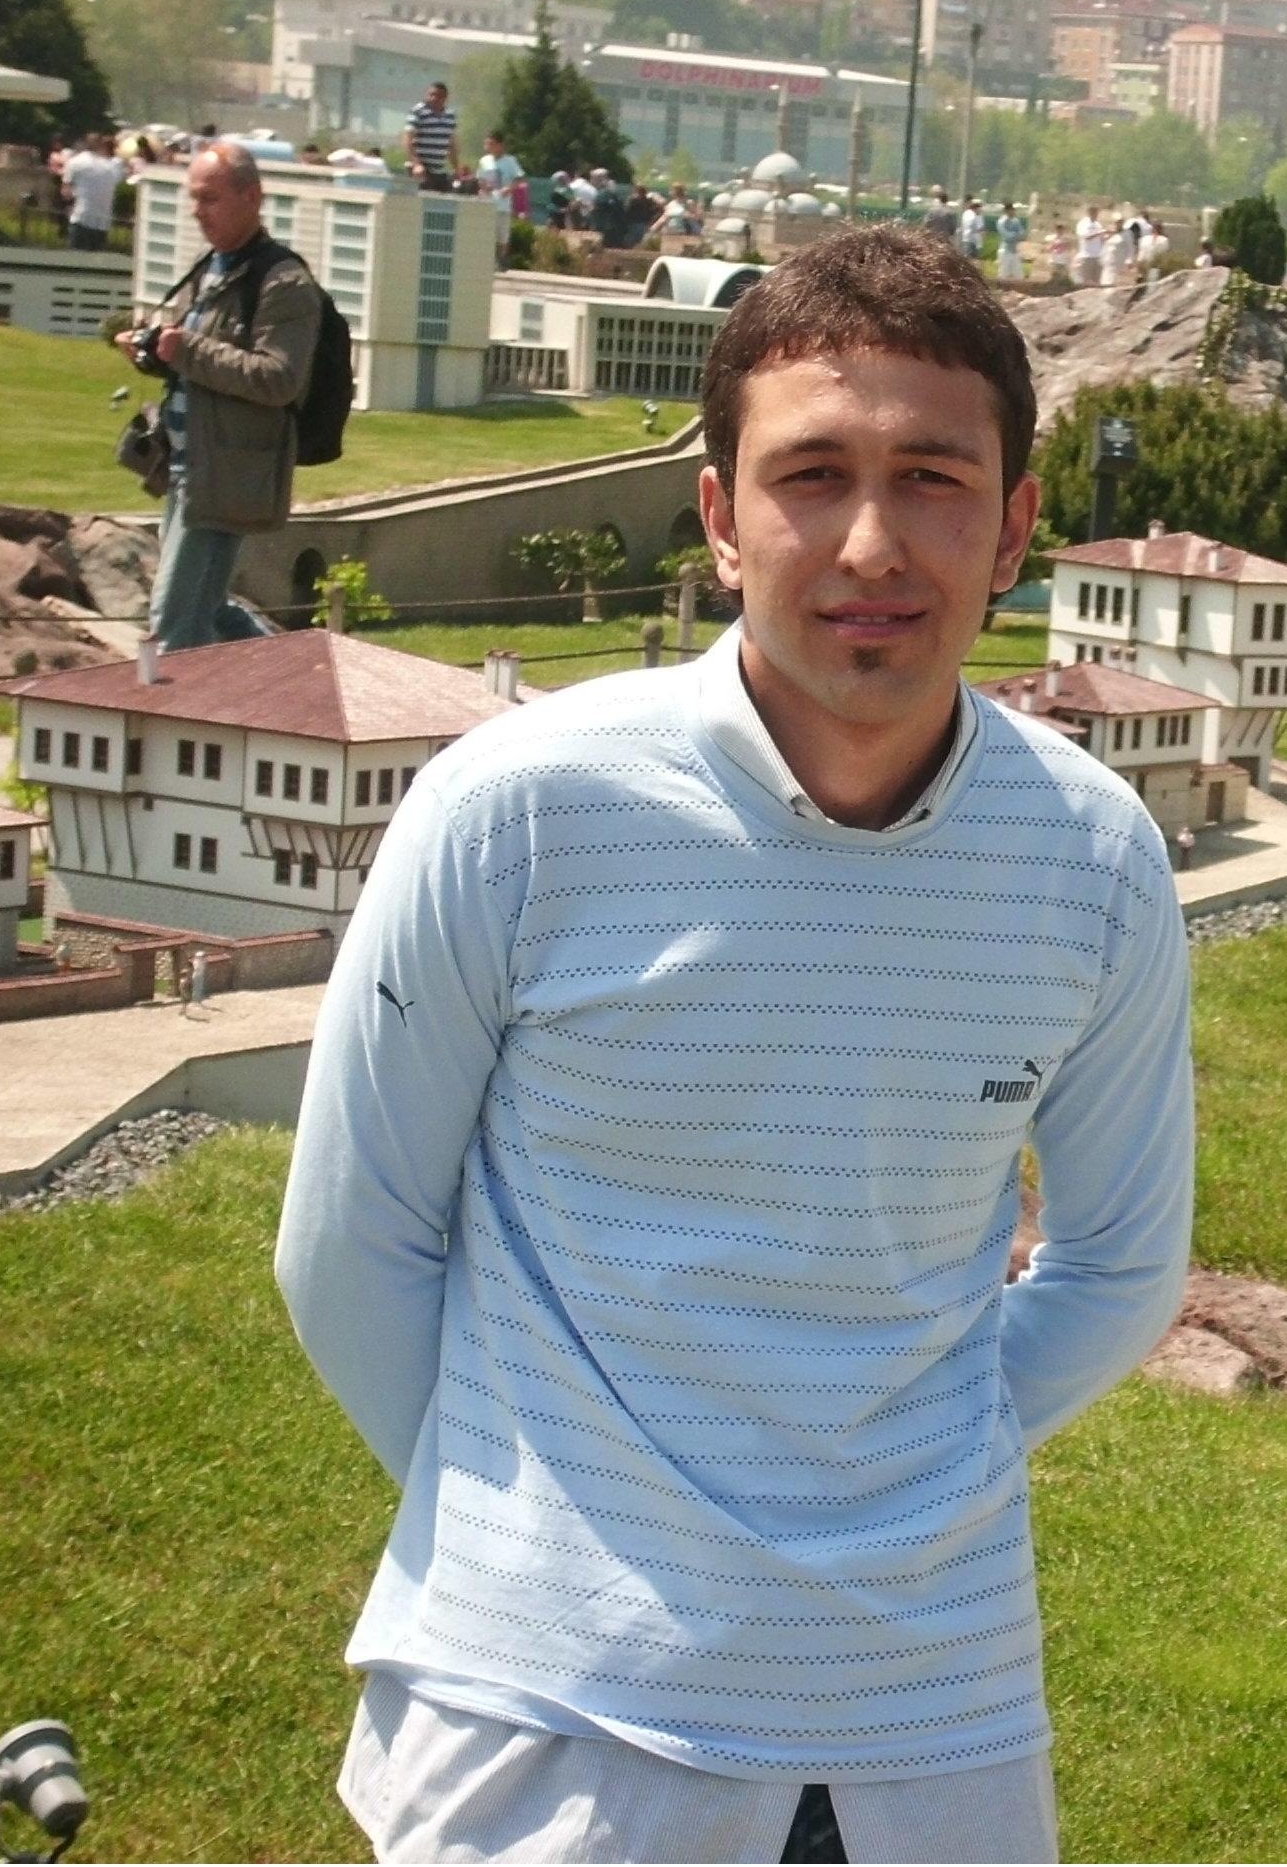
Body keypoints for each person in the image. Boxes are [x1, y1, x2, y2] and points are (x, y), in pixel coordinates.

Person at [276, 221, 1194, 1867]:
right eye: (809, 475)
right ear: (717, 517)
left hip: (936, 1734)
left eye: (932, 478)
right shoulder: (513, 813)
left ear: (1014, 528)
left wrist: (921, 1460)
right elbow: (349, 1245)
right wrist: (549, 1516)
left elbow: (1122, 1265)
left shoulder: (1094, 857)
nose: (870, 541)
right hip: (553, 1735)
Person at [115, 144, 322, 652]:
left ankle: (181, 705)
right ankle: (284, 669)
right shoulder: (208, 267)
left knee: (173, 620)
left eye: (209, 198)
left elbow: (279, 378)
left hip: (225, 473)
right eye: (193, 198)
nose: (196, 211)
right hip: (185, 465)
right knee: (206, 610)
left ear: (251, 197)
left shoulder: (284, 282)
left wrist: (186, 349)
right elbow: (192, 361)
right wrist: (151, 352)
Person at [62, 130, 125, 251]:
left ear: (85, 143)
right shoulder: (112, 167)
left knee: (75, 257)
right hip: (103, 222)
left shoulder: (75, 162)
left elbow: (66, 193)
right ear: (101, 144)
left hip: (81, 218)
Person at [477, 129, 526, 265]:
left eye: (492, 143)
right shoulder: (484, 161)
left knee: (502, 236)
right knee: (487, 234)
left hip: (502, 204)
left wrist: (509, 188)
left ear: (500, 145)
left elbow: (519, 178)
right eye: (487, 143)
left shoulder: (510, 161)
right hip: (487, 202)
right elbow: (480, 178)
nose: (489, 146)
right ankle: (487, 261)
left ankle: (502, 260)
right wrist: (484, 186)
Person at [404, 81, 459, 192]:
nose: (434, 98)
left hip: (439, 170)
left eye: (438, 96)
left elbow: (451, 144)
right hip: (421, 170)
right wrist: (416, 164)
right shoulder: (418, 111)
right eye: (431, 95)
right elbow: (408, 140)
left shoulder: (450, 116)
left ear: (445, 98)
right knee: (423, 199)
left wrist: (456, 167)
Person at [590, 166, 629, 248]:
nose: (591, 181)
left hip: (607, 231)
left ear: (599, 179)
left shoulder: (604, 193)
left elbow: (599, 209)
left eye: (593, 178)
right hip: (616, 229)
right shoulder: (613, 190)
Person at [1074, 203, 1105, 287]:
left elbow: (1101, 239)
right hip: (1087, 256)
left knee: (1097, 282)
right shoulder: (1083, 223)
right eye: (1093, 212)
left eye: (1096, 212)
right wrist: (1099, 233)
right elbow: (1086, 236)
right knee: (1086, 281)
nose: (1096, 214)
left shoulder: (1098, 224)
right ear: (1089, 212)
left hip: (1097, 256)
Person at [995, 200, 1025, 282]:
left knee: (1019, 275)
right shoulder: (1001, 222)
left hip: (1015, 250)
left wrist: (1017, 235)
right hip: (1005, 250)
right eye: (1012, 210)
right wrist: (1017, 235)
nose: (1014, 212)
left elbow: (1022, 233)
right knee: (1003, 274)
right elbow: (1007, 236)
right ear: (1007, 211)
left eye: (1014, 210)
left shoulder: (1016, 221)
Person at [1100, 215, 1130, 287]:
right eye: (1116, 222)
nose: (1117, 224)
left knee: (1112, 282)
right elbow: (1103, 244)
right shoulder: (1109, 233)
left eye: (1119, 222)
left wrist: (1128, 261)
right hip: (1107, 261)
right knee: (1105, 281)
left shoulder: (1127, 234)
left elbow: (1130, 248)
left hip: (1118, 262)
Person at [959, 194, 984, 260]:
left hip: (972, 240)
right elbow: (971, 226)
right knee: (970, 259)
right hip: (970, 240)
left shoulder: (970, 214)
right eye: (979, 207)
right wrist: (980, 230)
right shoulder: (970, 214)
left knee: (971, 259)